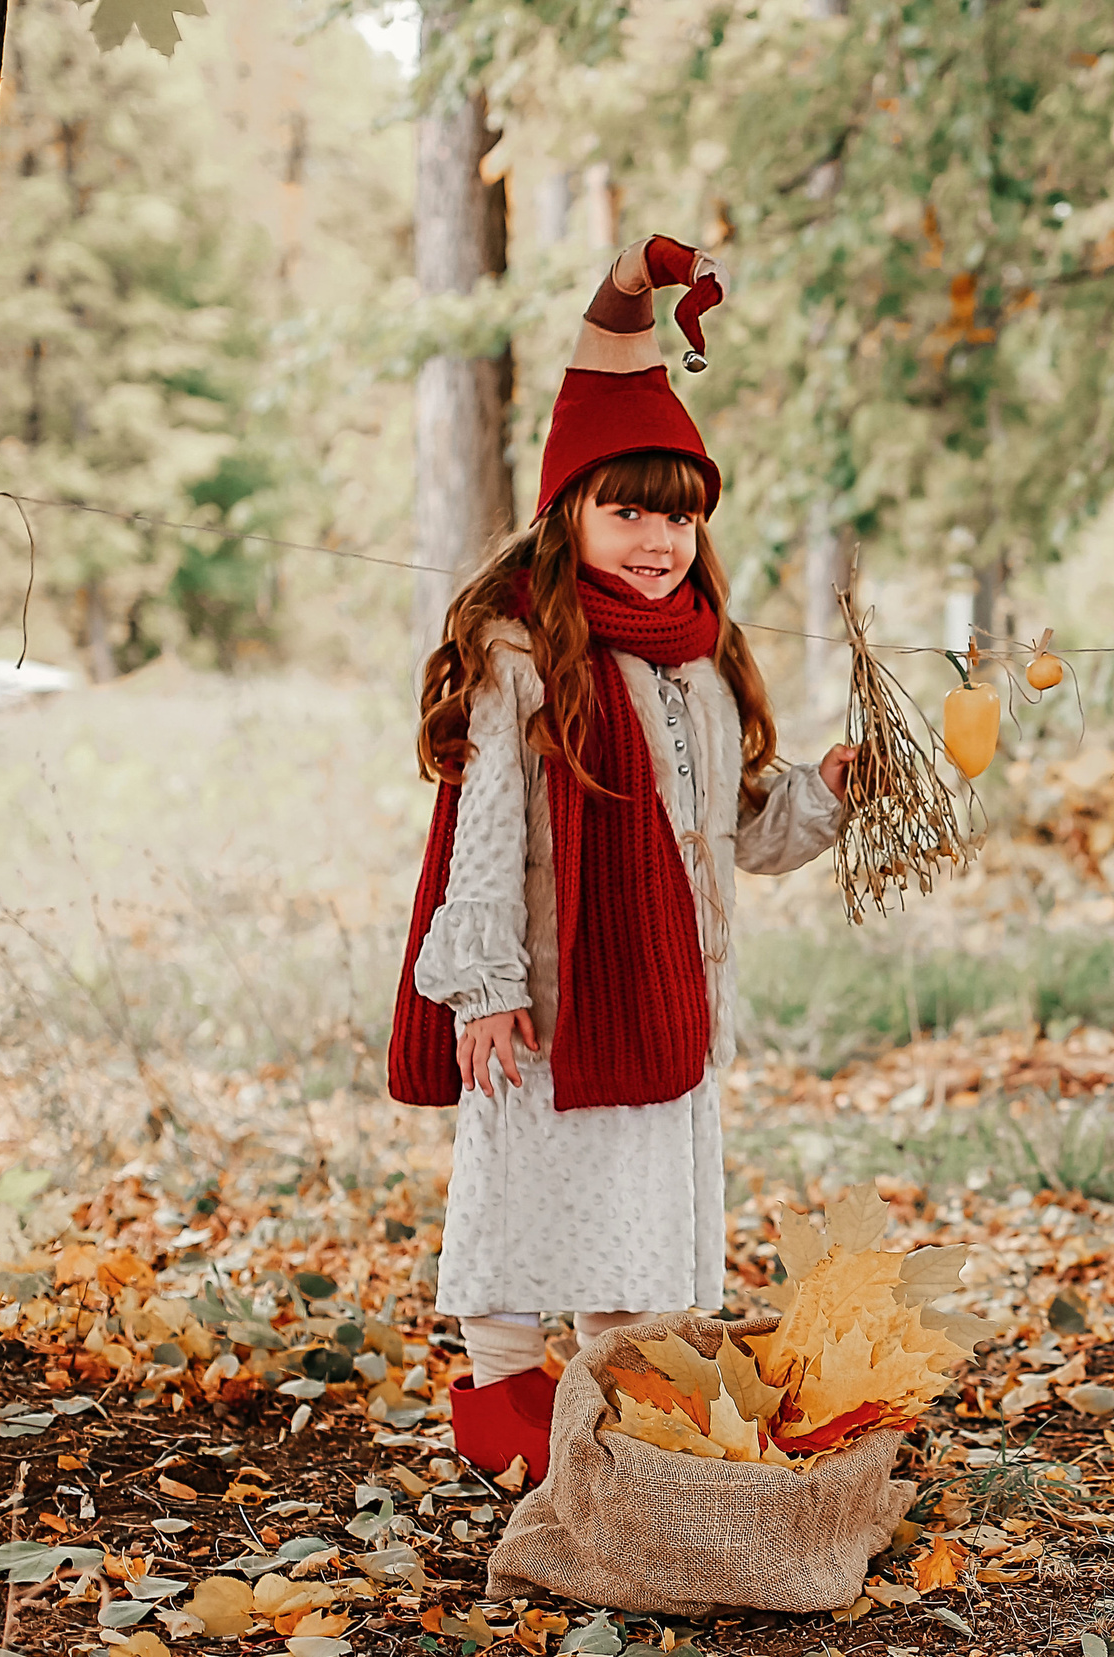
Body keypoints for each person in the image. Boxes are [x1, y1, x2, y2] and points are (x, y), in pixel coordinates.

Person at [387, 235, 855, 1483]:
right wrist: (484, 988)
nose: (658, 538)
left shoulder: (701, 658)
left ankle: (610, 1407)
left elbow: (736, 833)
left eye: (680, 514)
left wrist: (825, 795)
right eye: (628, 509)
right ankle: (501, 1398)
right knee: (525, 1191)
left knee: (635, 1207)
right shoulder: (523, 655)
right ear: (570, 511)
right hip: (546, 998)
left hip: (664, 996)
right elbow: (486, 830)